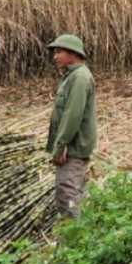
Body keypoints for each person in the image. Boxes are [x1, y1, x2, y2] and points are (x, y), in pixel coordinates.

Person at [45, 34, 97, 219]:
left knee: (67, 197)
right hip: (72, 146)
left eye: (59, 52)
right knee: (76, 195)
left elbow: (72, 115)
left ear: (73, 53)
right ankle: (83, 237)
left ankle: (75, 242)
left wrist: (60, 146)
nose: (55, 56)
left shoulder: (80, 78)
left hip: (73, 149)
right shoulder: (74, 76)